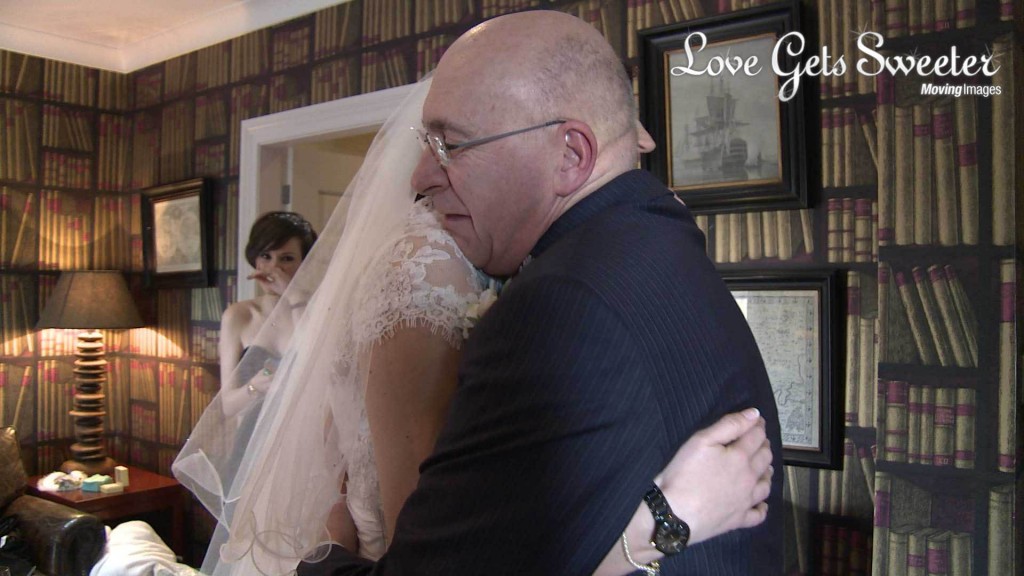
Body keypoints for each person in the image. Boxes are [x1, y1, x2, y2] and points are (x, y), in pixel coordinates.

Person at [175, 49, 773, 576]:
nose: (420, 175)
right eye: (425, 143)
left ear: (572, 152)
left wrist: (322, 557)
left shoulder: (552, 304)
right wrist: (659, 524)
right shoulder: (664, 238)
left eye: (450, 144)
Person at [218, 211, 317, 418]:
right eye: (266, 256)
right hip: (251, 437)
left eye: (287, 259)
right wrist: (254, 387)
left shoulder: (319, 308)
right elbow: (227, 407)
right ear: (255, 261)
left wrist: (293, 294)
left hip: (305, 433)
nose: (274, 268)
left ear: (303, 263)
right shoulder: (239, 316)